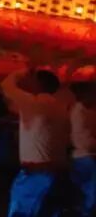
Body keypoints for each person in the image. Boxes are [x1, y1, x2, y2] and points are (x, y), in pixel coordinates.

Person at [1, 68, 73, 217]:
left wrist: (21, 71)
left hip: (35, 174)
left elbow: (6, 85)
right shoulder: (60, 107)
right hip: (58, 173)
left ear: (38, 84)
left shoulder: (33, 102)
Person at [69, 81, 96, 216]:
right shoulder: (79, 113)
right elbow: (84, 141)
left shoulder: (85, 111)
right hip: (86, 157)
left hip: (84, 156)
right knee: (89, 192)